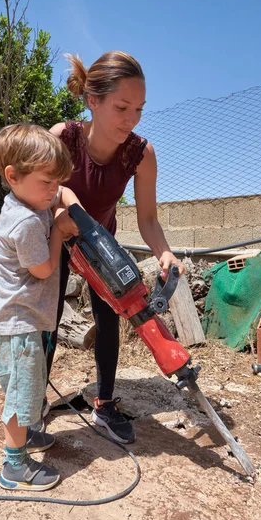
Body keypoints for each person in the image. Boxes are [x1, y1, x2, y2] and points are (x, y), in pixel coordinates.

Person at [46, 51, 185, 445]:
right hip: (57, 238)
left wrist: (165, 253)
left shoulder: (140, 153)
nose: (132, 119)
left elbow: (148, 221)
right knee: (46, 317)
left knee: (109, 323)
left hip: (100, 245)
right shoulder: (62, 138)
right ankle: (34, 400)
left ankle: (104, 403)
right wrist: (60, 208)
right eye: (122, 107)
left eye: (139, 109)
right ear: (94, 100)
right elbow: (35, 192)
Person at [0, 123, 78, 491]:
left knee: (28, 389)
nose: (53, 191)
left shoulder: (30, 199)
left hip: (22, 322)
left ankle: (25, 437)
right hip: (17, 326)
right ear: (13, 176)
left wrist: (60, 205)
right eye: (47, 183)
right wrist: (59, 230)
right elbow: (43, 269)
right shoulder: (24, 221)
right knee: (20, 395)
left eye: (57, 183)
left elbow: (60, 197)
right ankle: (14, 466)